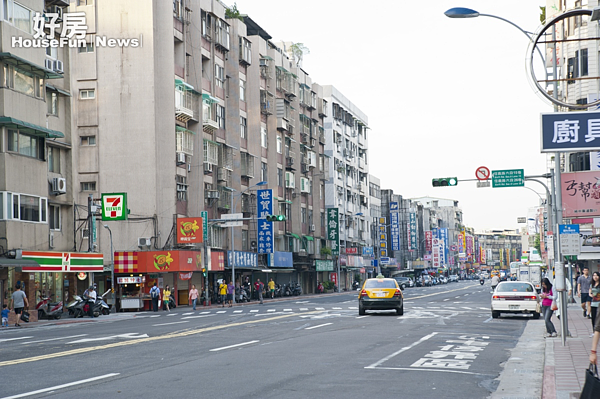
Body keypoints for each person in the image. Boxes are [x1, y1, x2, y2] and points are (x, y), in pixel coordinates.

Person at [590, 272, 600, 337]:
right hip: (593, 303)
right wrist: (592, 295)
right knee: (593, 317)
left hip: (599, 303)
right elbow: (590, 292)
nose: (595, 277)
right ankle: (594, 331)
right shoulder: (592, 285)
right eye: (594, 275)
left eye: (596, 276)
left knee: (598, 318)